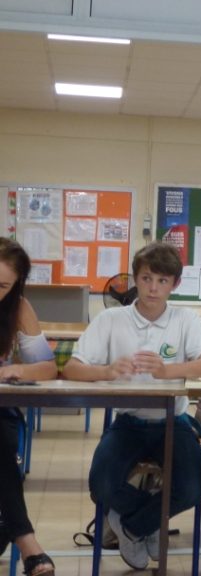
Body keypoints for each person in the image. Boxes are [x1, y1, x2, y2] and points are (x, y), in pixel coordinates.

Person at [63, 243, 201, 570]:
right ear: (135, 279)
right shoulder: (111, 319)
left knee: (192, 489)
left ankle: (132, 527)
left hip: (174, 422)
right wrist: (106, 372)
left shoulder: (185, 319)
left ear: (175, 284)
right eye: (146, 279)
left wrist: (167, 371)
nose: (153, 288)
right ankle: (151, 519)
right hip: (128, 422)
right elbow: (72, 369)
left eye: (162, 281)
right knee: (101, 485)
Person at [0, 238, 57, 576]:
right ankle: (27, 543)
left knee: (0, 441)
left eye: (2, 286)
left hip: (1, 411)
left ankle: (12, 531)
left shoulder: (18, 308)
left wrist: (14, 370)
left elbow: (48, 368)